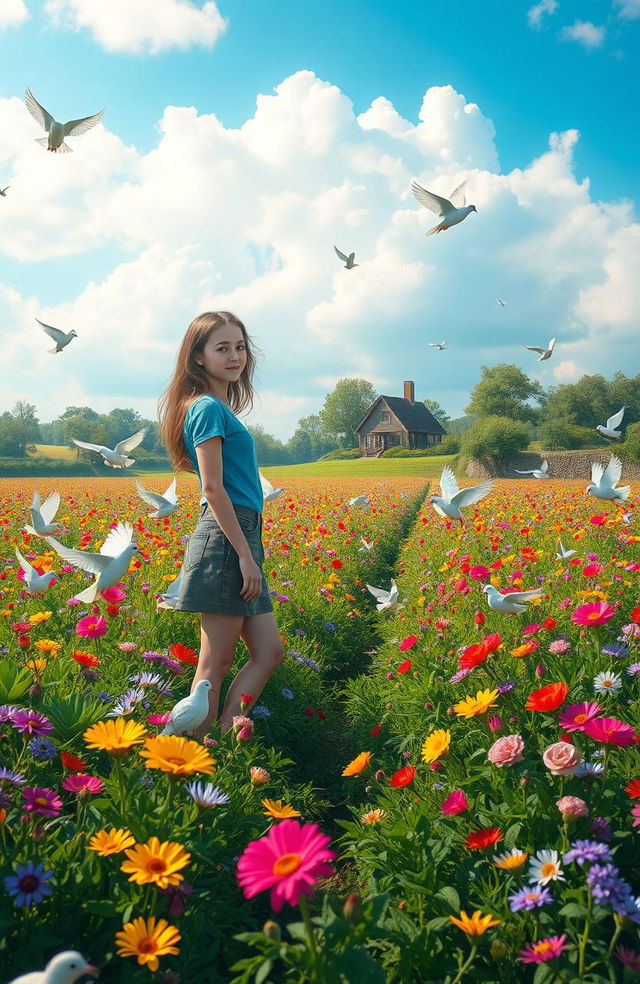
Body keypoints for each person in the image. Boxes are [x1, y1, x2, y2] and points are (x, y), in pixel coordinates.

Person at [158, 311, 284, 737]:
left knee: (268, 653)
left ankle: (226, 740)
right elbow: (213, 488)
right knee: (214, 665)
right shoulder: (207, 408)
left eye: (240, 347)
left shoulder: (217, 407)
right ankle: (193, 760)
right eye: (222, 348)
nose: (235, 356)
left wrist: (249, 549)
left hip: (241, 529)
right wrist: (246, 556)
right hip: (228, 535)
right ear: (198, 357)